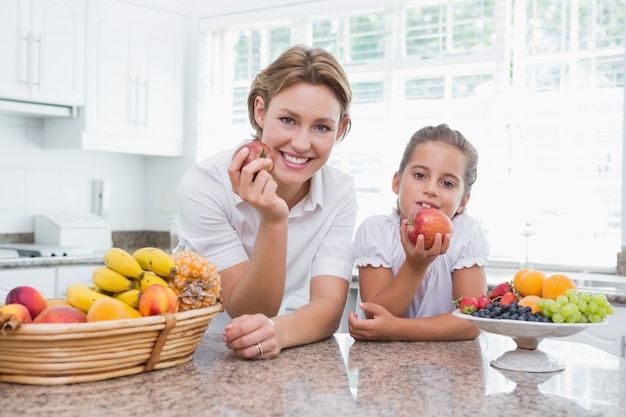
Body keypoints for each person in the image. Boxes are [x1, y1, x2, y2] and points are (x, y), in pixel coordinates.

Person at [175, 45, 356, 359]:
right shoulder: (204, 185)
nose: (301, 143)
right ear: (261, 111)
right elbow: (246, 309)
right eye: (287, 120)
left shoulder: (340, 193)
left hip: (264, 356)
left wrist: (280, 331)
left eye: (322, 127)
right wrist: (274, 220)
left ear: (340, 129)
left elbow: (328, 307)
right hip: (192, 353)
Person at [348, 124, 489, 341]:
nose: (431, 189)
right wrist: (415, 266)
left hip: (450, 365)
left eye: (447, 183)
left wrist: (396, 328)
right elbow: (374, 314)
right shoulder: (376, 232)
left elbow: (472, 322)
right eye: (420, 175)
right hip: (386, 366)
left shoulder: (466, 233)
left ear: (463, 201)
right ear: (397, 182)